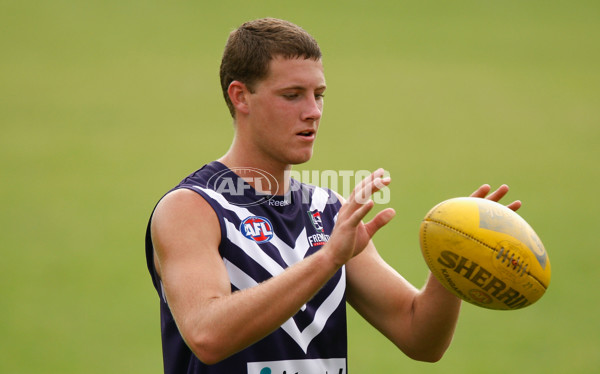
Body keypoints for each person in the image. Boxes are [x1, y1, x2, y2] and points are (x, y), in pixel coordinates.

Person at [145, 17, 522, 374]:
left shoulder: (329, 213)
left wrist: (452, 259)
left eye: (319, 95)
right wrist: (328, 259)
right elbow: (207, 335)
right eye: (292, 95)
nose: (312, 111)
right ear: (241, 96)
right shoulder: (192, 208)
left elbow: (420, 337)